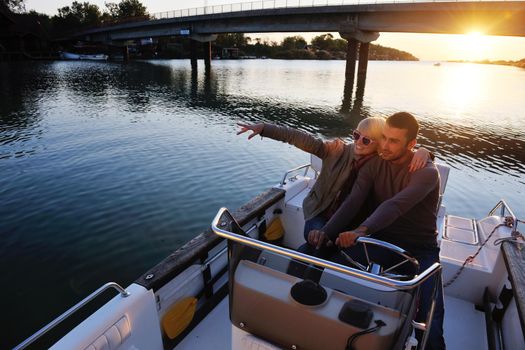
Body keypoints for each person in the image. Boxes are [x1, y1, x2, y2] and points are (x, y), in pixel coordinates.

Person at [316, 112, 445, 350]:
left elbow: (395, 205)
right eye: (384, 137)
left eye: (394, 141)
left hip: (420, 249)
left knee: (431, 317)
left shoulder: (427, 172)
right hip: (379, 239)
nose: (385, 146)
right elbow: (353, 201)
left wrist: (361, 230)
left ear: (412, 145)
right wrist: (326, 231)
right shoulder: (375, 163)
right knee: (324, 264)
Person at [237, 118, 430, 254]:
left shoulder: (379, 164)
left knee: (332, 246)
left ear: (380, 144)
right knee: (320, 242)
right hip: (319, 213)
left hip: (352, 220)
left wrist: (425, 151)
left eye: (366, 140)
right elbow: (299, 138)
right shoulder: (337, 150)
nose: (358, 143)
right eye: (356, 135)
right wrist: (265, 128)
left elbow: (403, 155)